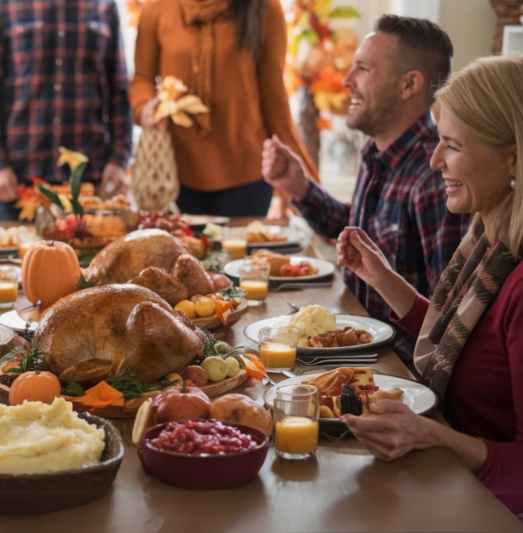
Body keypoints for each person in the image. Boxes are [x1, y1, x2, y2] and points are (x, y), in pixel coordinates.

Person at [337, 55, 523, 517]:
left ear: (514, 156)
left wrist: (434, 436)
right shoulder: (488, 242)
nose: (435, 159)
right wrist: (383, 278)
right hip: (445, 477)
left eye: (452, 146)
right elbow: (467, 347)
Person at [262, 15, 470, 363]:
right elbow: (362, 235)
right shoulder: (377, 151)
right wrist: (300, 187)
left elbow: (445, 323)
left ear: (408, 85)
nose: (346, 81)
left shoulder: (434, 176)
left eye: (363, 69)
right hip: (355, 343)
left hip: (393, 367)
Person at [129, 0, 317, 217]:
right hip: (173, 174)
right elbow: (142, 78)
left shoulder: (265, 7)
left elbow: (274, 97)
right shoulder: (157, 7)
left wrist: (307, 183)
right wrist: (145, 109)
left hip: (247, 176)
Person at [0, 0, 133, 220]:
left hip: (89, 187)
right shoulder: (3, 5)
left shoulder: (104, 6)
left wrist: (118, 160)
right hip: (17, 186)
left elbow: (119, 91)